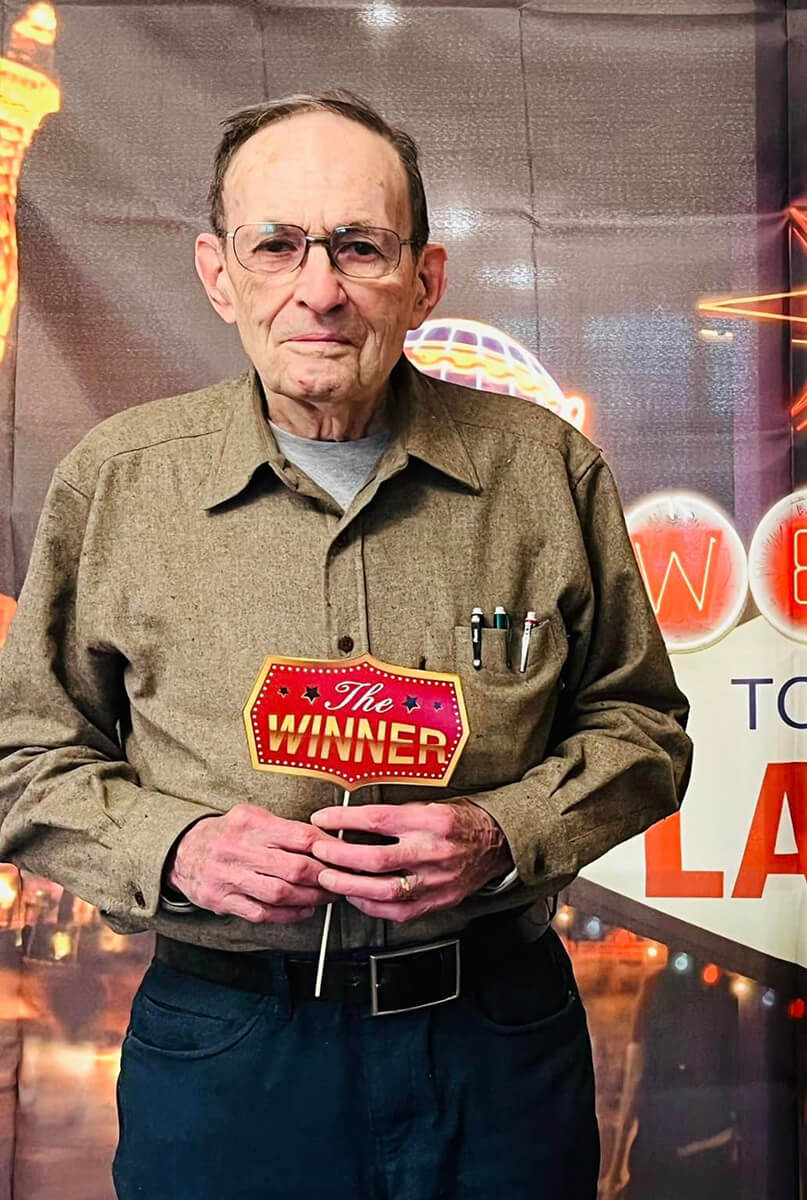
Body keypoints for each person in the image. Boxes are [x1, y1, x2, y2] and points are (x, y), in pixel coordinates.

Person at [0, 89, 692, 1199]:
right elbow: (23, 758)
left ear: (425, 279)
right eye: (276, 245)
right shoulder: (119, 483)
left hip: (497, 1044)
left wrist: (502, 830)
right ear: (218, 273)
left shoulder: (545, 474)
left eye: (359, 248)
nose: (317, 290)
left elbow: (643, 729)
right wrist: (174, 847)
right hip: (228, 1055)